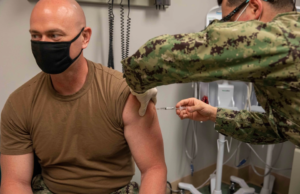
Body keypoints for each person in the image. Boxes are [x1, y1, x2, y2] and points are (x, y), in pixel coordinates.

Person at [0, 0, 167, 193]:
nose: (43, 44)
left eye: (54, 35)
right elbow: (16, 182)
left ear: (85, 37)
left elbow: (154, 168)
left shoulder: (125, 94)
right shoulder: (19, 104)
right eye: (36, 35)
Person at [121, 0, 300, 147]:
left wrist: (137, 84)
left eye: (227, 20)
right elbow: (279, 128)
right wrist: (213, 114)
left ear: (254, 8)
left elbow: (159, 55)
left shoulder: (281, 39)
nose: (226, 28)